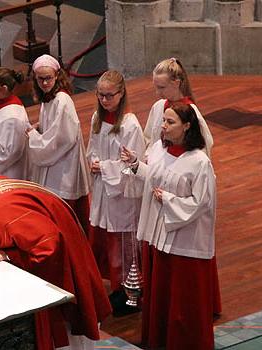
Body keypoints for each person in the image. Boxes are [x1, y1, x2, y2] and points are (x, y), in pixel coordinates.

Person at [0, 176, 112, 350]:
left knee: (71, 312)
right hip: (37, 216)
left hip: (58, 229)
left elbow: (48, 244)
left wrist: (9, 255)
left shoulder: (5, 219)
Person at [121, 102, 221, 349]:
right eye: (163, 121)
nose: (163, 126)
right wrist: (136, 165)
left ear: (187, 126)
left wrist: (168, 199)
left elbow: (202, 203)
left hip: (183, 241)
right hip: (158, 236)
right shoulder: (157, 148)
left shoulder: (199, 162)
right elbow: (156, 177)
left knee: (182, 302)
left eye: (170, 122)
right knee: (161, 297)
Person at [86, 70, 146, 316]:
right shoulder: (97, 119)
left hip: (123, 194)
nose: (104, 100)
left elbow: (134, 161)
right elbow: (92, 147)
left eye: (109, 95)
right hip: (104, 188)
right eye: (100, 95)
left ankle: (132, 293)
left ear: (121, 94)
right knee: (110, 244)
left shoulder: (129, 124)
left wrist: (106, 167)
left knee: (125, 244)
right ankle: (119, 288)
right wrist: (93, 162)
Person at [27, 54, 91, 235]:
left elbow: (61, 139)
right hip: (57, 161)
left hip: (63, 166)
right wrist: (40, 127)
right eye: (41, 79)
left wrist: (33, 136)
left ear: (57, 76)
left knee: (66, 216)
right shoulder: (48, 98)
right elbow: (55, 126)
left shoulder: (62, 100)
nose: (45, 83)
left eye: (48, 78)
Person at [144, 57, 213, 156]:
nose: (157, 93)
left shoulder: (191, 112)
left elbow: (204, 146)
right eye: (156, 87)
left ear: (176, 83)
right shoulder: (158, 107)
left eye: (162, 87)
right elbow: (148, 139)